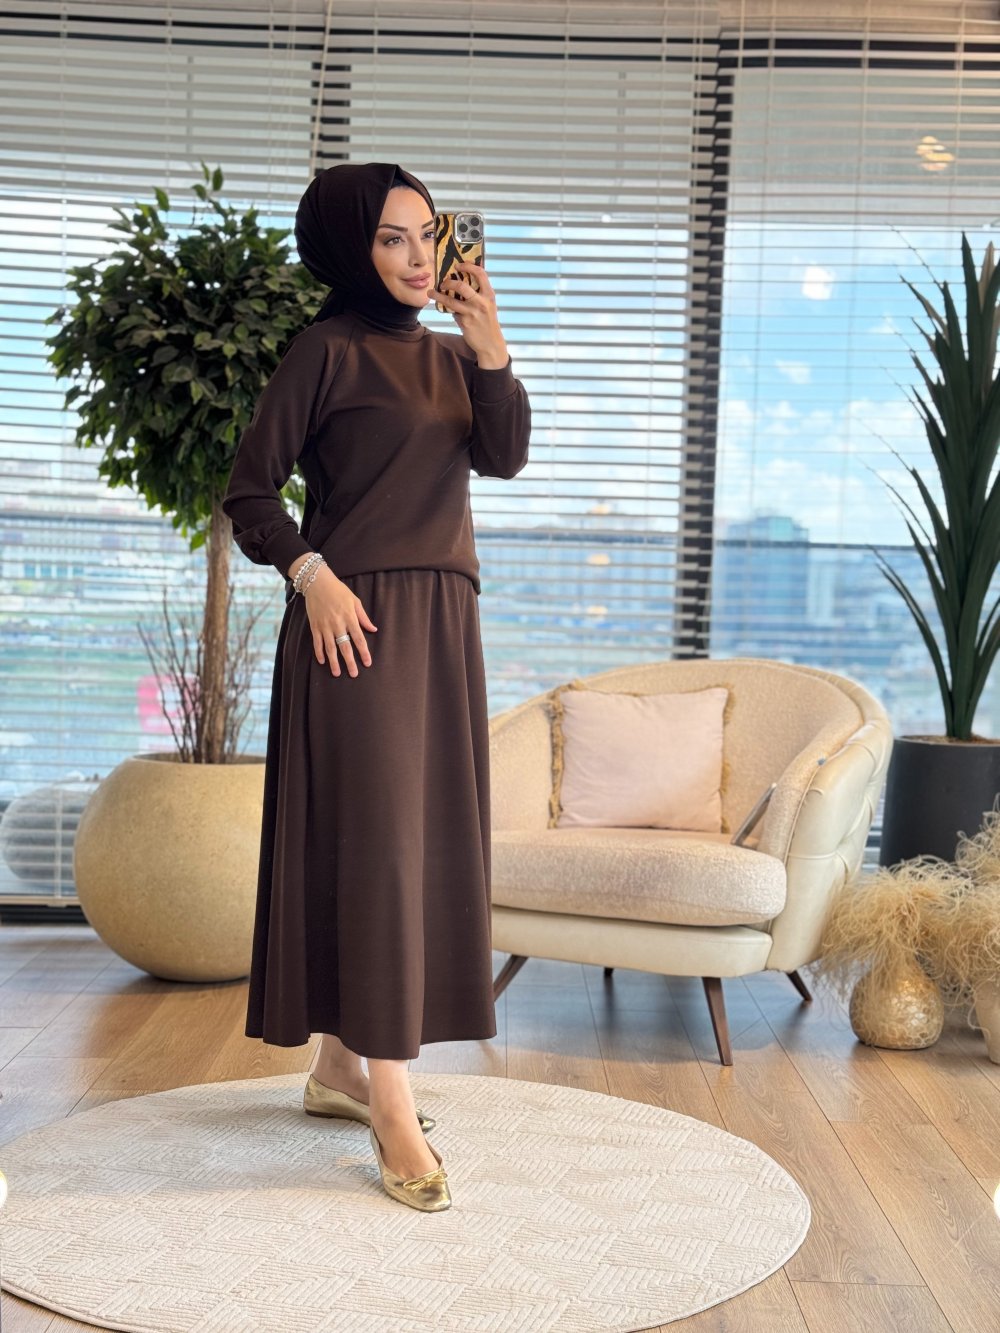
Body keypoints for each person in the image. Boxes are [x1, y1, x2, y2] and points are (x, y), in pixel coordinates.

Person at [221, 162, 530, 1212]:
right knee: (383, 853)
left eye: (426, 234)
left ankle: (340, 1069)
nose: (415, 257)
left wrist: (489, 345)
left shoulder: (452, 357)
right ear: (352, 247)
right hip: (352, 630)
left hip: (443, 628)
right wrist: (311, 576)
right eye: (392, 237)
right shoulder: (327, 349)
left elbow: (505, 455)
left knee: (420, 846)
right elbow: (250, 491)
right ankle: (392, 1100)